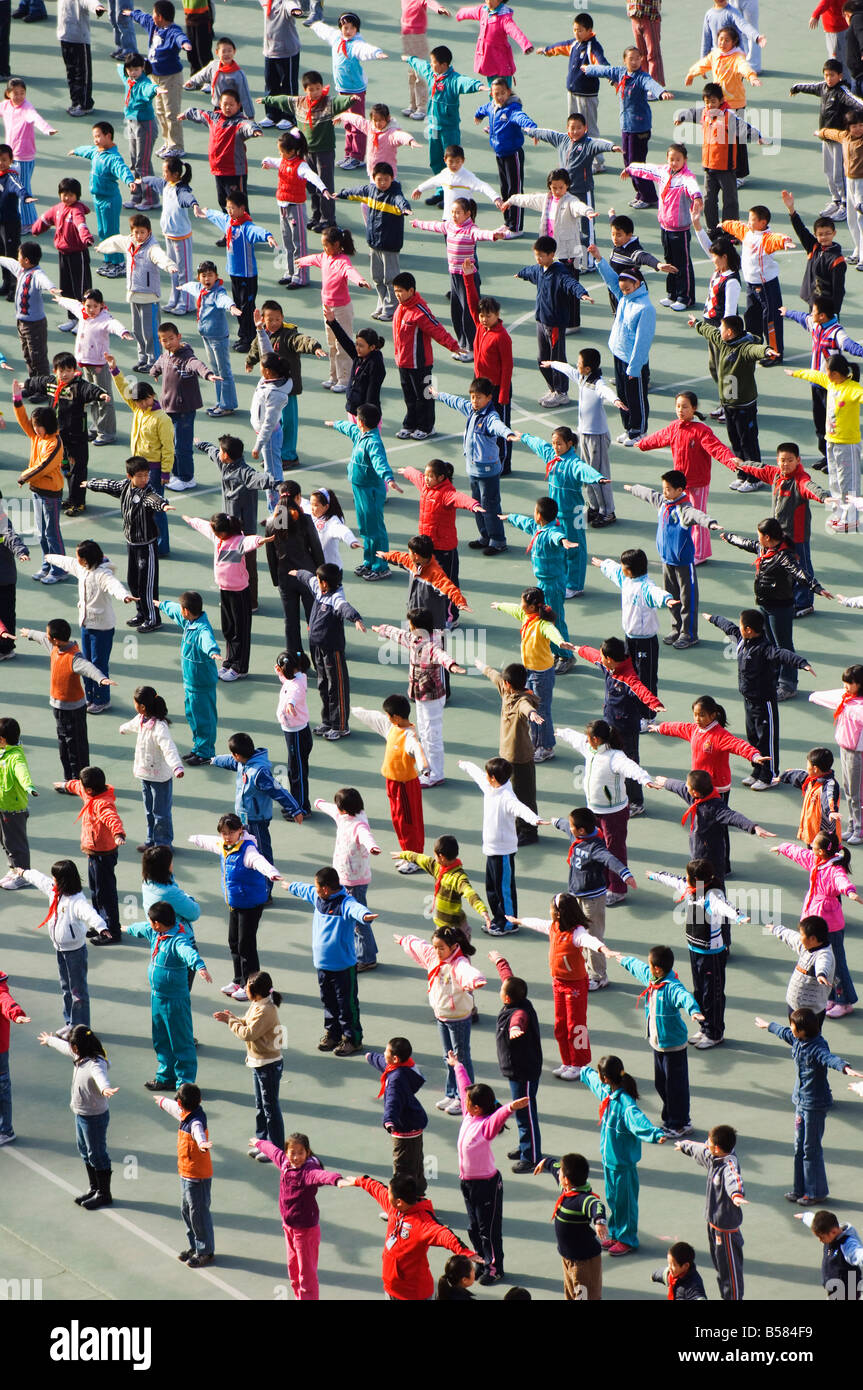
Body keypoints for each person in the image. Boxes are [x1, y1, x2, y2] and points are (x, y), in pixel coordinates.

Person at [756, 1007, 861, 1201]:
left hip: (814, 1105)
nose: (791, 1028)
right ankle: (799, 1189)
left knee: (811, 1148)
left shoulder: (817, 1047)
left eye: (794, 1026)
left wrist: (845, 1068)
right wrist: (768, 1026)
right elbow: (784, 1033)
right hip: (800, 1102)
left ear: (804, 1030)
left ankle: (815, 1192)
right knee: (799, 1147)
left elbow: (829, 1059)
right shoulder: (797, 1039)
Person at [719, 518, 830, 700]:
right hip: (765, 604)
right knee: (769, 644)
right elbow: (747, 543)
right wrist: (730, 537)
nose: (757, 538)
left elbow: (799, 572)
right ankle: (776, 678)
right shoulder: (765, 549)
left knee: (783, 644)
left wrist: (816, 587)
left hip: (779, 608)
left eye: (759, 535)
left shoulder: (783, 556)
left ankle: (788, 684)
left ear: (768, 537)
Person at [605, 943, 704, 1136]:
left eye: (651, 965)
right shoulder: (653, 979)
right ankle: (670, 1118)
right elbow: (639, 968)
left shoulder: (671, 987)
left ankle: (680, 1123)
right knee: (662, 1084)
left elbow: (684, 997)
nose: (648, 968)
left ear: (658, 969)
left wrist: (694, 1011)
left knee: (675, 1087)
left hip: (673, 1047)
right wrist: (623, 960)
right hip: (658, 1046)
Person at [336, 1172, 477, 1301]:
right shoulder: (394, 1206)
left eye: (390, 1193)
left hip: (414, 1295)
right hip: (391, 1289)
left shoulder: (423, 1223)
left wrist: (464, 1251)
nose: (387, 1194)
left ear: (400, 1202)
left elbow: (443, 1234)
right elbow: (378, 1189)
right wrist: (360, 1181)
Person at [282, 866, 378, 1055]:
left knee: (347, 1005)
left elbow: (356, 909)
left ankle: (352, 1039)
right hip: (322, 965)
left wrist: (365, 916)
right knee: (328, 1001)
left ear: (326, 888)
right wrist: (290, 886)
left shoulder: (345, 903)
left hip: (343, 966)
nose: (315, 889)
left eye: (318, 887)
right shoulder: (318, 897)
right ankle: (333, 1034)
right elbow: (305, 889)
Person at [576, 1054, 666, 1254]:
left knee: (626, 1204)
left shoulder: (624, 1103)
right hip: (609, 1161)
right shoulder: (608, 1093)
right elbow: (595, 1084)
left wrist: (654, 1134)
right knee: (613, 1199)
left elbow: (638, 1119)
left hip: (623, 1164)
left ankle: (628, 1239)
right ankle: (616, 1233)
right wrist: (584, 1071)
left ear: (606, 1077)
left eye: (599, 1073)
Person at [509, 893, 605, 1077]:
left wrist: (603, 949)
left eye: (552, 908)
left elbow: (589, 941)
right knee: (560, 1026)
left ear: (560, 913)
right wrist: (519, 921)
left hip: (575, 986)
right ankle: (567, 1062)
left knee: (575, 1026)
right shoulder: (553, 927)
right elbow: (536, 923)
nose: (550, 911)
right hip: (558, 983)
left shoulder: (577, 933)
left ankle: (579, 1065)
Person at [555, 722, 649, 905]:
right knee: (596, 848)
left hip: (614, 813)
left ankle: (617, 889)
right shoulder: (589, 748)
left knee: (614, 848)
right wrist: (561, 732)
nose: (586, 740)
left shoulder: (615, 757)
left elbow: (631, 768)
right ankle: (603, 883)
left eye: (589, 738)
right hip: (593, 811)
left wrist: (645, 779)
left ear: (596, 739)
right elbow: (576, 739)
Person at [395, 922, 486, 1112]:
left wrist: (476, 980)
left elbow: (468, 973)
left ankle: (465, 1098)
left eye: (441, 948)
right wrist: (405, 940)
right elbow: (420, 947)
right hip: (442, 1016)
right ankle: (451, 1093)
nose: (437, 951)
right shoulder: (434, 956)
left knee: (461, 1058)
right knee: (448, 1057)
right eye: (435, 947)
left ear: (453, 947)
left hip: (458, 1017)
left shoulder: (459, 962)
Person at [636, 394, 737, 563]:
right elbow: (660, 437)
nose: (680, 410)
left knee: (697, 516)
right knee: (683, 516)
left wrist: (731, 462)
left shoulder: (701, 430)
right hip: (679, 484)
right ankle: (689, 548)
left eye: (685, 407)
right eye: (678, 406)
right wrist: (643, 443)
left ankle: (700, 554)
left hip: (698, 482)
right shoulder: (674, 427)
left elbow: (717, 448)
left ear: (694, 408)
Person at [450, 1055, 524, 1284]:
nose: (464, 1102)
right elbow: (464, 1089)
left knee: (489, 1231)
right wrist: (457, 1066)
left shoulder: (485, 1126)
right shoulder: (469, 1114)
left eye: (468, 1101)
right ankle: (482, 1261)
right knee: (474, 1228)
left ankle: (495, 1268)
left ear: (478, 1106)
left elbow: (498, 1117)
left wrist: (510, 1107)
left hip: (487, 1185)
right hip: (468, 1183)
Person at [188, 813, 280, 998]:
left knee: (246, 944)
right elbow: (210, 842)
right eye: (223, 833)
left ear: (240, 830)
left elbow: (259, 862)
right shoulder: (224, 845)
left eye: (231, 832)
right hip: (235, 903)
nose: (227, 836)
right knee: (234, 942)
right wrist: (195, 839)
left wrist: (271, 873)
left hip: (251, 904)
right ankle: (238, 980)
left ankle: (251, 986)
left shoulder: (248, 850)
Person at [625, 472, 719, 649]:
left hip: (683, 563)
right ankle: (676, 628)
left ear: (679, 490)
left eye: (668, 489)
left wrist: (711, 523)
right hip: (667, 561)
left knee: (687, 599)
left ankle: (689, 633)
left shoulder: (684, 510)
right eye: (664, 488)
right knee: (672, 597)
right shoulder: (663, 503)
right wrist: (634, 489)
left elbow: (698, 515)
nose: (665, 492)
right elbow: (649, 494)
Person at [255, 71, 356, 232]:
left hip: (324, 151)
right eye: (311, 89)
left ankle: (328, 219)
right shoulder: (299, 102)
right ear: (305, 90)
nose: (315, 92)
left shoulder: (328, 103)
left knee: (324, 184)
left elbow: (340, 101)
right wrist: (267, 100)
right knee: (310, 184)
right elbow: (282, 100)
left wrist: (350, 99)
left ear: (322, 87)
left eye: (318, 88)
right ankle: (316, 215)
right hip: (306, 152)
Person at [770, 835, 859, 1016]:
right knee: (824, 963)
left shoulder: (834, 869)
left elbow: (842, 881)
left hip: (830, 926)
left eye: (814, 847)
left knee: (837, 964)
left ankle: (845, 1002)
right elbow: (799, 853)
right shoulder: (816, 861)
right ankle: (832, 997)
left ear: (821, 851)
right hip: (816, 921)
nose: (810, 849)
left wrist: (850, 892)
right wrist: (783, 847)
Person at [373, 612, 464, 788]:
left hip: (431, 695)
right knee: (424, 731)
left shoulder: (430, 644)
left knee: (432, 735)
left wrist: (452, 665)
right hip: (421, 694)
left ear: (416, 627)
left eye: (411, 624)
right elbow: (399, 634)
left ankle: (436, 774)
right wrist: (382, 630)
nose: (409, 627)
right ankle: (429, 769)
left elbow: (440, 655)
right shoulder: (415, 639)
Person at [575, 637, 663, 817]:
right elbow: (593, 656)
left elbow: (641, 690)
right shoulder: (609, 667)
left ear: (610, 658)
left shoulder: (628, 676)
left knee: (629, 763)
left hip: (626, 729)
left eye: (603, 656)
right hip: (610, 726)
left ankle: (636, 802)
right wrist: (577, 648)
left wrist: (654, 704)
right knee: (612, 762)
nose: (600, 658)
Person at [686, 312, 776, 485]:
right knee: (735, 441)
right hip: (728, 403)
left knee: (748, 442)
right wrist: (696, 323)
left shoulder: (744, 348)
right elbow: (710, 331)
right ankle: (742, 474)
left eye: (722, 328)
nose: (719, 330)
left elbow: (755, 350)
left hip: (744, 404)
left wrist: (767, 351)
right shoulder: (723, 341)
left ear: (730, 332)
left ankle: (755, 478)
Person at [515, 427, 604, 598]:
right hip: (557, 513)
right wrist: (524, 436)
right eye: (554, 443)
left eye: (559, 444)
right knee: (562, 547)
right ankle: (564, 581)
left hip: (576, 512)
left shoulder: (573, 462)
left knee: (576, 549)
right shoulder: (552, 456)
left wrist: (597, 478)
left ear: (569, 444)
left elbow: (585, 470)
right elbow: (539, 444)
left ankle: (575, 586)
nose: (555, 447)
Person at [18, 620, 114, 780]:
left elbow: (88, 667)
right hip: (59, 708)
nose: (46, 636)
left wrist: (101, 678)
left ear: (55, 639)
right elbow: (42, 637)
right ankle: (71, 780)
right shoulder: (55, 647)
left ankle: (78, 781)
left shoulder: (74, 657)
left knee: (75, 747)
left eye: (49, 634)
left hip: (72, 711)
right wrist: (30, 633)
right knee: (65, 746)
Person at [255, 1131, 343, 1301]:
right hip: (288, 1227)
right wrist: (259, 1143)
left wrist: (338, 1180)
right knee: (293, 1270)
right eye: (292, 1153)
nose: (296, 1157)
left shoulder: (308, 1172)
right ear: (287, 1152)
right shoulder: (285, 1163)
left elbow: (321, 1176)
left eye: (300, 1153)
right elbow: (273, 1151)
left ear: (307, 1153)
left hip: (305, 1231)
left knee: (306, 1276)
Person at [37, 1024, 117, 1207]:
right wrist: (50, 1040)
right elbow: (63, 1047)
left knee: (97, 1154)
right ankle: (94, 1188)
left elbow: (101, 1078)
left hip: (94, 1117)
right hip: (81, 1114)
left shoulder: (96, 1064)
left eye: (73, 1045)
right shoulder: (79, 1055)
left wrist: (105, 1089)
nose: (71, 1047)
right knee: (84, 1151)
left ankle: (104, 1194)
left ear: (79, 1046)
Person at [182, 512, 268, 680]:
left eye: (216, 531)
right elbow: (204, 526)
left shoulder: (238, 541)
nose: (213, 533)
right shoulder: (217, 538)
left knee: (240, 631)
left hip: (240, 593)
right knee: (228, 629)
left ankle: (240, 668)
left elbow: (250, 541)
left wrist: (261, 540)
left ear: (223, 531)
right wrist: (191, 520)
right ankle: (229, 662)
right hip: (225, 590)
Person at [433, 379, 516, 554]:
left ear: (489, 398)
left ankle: (498, 540)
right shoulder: (471, 410)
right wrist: (439, 395)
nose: (474, 401)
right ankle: (485, 536)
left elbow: (498, 426)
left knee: (490, 506)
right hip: (473, 471)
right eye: (472, 397)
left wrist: (507, 433)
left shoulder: (490, 417)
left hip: (488, 472)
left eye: (479, 397)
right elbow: (456, 402)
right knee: (476, 505)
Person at [17, 858, 99, 1033]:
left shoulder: (76, 900)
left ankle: (81, 1028)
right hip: (60, 950)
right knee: (66, 988)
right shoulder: (54, 891)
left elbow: (89, 913)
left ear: (64, 880)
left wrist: (101, 927)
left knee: (78, 991)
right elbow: (40, 879)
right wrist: (24, 873)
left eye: (55, 877)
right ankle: (70, 1023)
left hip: (75, 952)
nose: (52, 879)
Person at [587, 46, 673, 208]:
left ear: (641, 59)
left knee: (637, 163)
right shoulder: (620, 73)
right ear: (624, 60)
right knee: (628, 162)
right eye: (631, 59)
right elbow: (604, 70)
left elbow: (651, 84)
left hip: (639, 128)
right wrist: (588, 69)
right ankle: (640, 194)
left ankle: (649, 197)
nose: (634, 62)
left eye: (637, 58)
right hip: (626, 126)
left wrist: (661, 92)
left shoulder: (642, 77)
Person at [25, 357, 110, 519]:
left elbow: (90, 390)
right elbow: (39, 382)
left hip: (75, 436)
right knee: (66, 469)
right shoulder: (52, 383)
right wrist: (27, 385)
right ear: (54, 370)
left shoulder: (79, 386)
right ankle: (71, 498)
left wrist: (101, 395)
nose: (64, 374)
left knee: (77, 469)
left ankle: (78, 502)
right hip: (59, 436)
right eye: (61, 371)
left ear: (74, 370)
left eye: (68, 371)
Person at [653, 767, 773, 882]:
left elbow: (733, 816)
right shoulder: (694, 797)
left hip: (713, 857)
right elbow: (678, 786)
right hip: (697, 853)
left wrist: (753, 827)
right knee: (699, 882)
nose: (685, 786)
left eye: (687, 786)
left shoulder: (715, 807)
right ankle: (700, 901)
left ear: (695, 792)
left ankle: (719, 900)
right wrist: (666, 782)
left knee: (716, 883)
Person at [213, 969, 285, 1159]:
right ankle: (262, 1143)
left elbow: (248, 1033)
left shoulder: (266, 1010)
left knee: (270, 1109)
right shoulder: (258, 1004)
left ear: (257, 992)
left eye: (247, 988)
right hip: (258, 1062)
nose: (245, 990)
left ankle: (276, 1150)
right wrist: (234, 1018)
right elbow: (246, 1022)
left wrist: (230, 1022)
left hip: (268, 1065)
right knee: (261, 1107)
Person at [787, 354, 863, 532]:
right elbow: (813, 375)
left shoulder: (852, 389)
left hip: (847, 444)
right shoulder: (831, 383)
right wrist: (795, 373)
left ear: (836, 373)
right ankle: (839, 514)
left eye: (827, 371)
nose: (825, 374)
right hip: (832, 441)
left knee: (848, 483)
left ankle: (851, 520)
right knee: (835, 480)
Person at [491, 591, 570, 762]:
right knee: (533, 710)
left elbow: (552, 631)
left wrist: (560, 642)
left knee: (541, 711)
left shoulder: (542, 624)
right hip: (529, 671)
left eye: (523, 603)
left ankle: (546, 747)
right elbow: (513, 609)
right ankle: (537, 744)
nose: (520, 605)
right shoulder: (525, 615)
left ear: (533, 606)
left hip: (541, 675)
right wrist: (499, 606)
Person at [674, 85, 763, 236]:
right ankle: (713, 229)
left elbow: (744, 127)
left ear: (721, 101)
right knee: (709, 200)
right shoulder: (704, 113)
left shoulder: (729, 116)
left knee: (730, 202)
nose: (710, 105)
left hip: (726, 169)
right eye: (707, 102)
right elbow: (692, 113)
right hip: (709, 167)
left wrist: (757, 136)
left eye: (713, 102)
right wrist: (682, 116)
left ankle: (730, 231)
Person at [514, 235, 591, 408]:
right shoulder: (539, 270)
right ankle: (552, 388)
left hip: (555, 324)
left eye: (541, 255)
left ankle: (561, 392)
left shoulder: (560, 272)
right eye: (536, 255)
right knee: (542, 358)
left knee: (556, 359)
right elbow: (530, 271)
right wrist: (521, 274)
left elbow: (571, 284)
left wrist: (582, 293)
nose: (538, 259)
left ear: (551, 254)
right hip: (541, 322)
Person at [195, 190, 277, 353]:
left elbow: (257, 231)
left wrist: (268, 236)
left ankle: (250, 338)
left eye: (232, 208)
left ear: (242, 208)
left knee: (247, 307)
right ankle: (243, 336)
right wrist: (206, 212)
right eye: (228, 208)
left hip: (247, 275)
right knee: (238, 306)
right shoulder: (228, 223)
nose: (229, 211)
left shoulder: (246, 227)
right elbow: (218, 216)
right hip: (234, 274)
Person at [290, 561, 365, 740]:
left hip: (332, 649)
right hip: (317, 647)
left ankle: (340, 726)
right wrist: (297, 571)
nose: (316, 580)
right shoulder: (319, 587)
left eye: (319, 579)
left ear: (325, 582)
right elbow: (308, 578)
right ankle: (328, 721)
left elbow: (344, 608)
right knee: (323, 683)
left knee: (336, 686)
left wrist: (355, 619)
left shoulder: (336, 597)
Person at [53, 765, 125, 947]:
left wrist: (118, 834)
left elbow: (112, 818)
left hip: (103, 855)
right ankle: (100, 924)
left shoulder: (103, 803)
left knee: (105, 893)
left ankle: (112, 931)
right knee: (95, 891)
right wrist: (64, 785)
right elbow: (76, 785)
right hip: (94, 853)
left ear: (90, 789)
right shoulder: (89, 793)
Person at [308, 11, 387, 171]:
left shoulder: (356, 44)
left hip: (355, 91)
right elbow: (326, 32)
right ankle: (349, 154)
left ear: (356, 29)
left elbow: (365, 49)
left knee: (357, 123)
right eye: (345, 27)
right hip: (342, 89)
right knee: (347, 122)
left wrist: (377, 53)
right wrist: (315, 24)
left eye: (351, 28)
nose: (348, 31)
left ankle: (358, 157)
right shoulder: (337, 38)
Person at [589, 251, 655, 442]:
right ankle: (628, 428)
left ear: (638, 284)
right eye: (623, 289)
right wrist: (599, 259)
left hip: (633, 361)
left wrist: (634, 367)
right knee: (623, 395)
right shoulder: (626, 297)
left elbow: (643, 341)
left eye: (627, 288)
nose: (623, 291)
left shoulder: (645, 308)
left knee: (636, 397)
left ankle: (639, 431)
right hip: (619, 354)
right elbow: (611, 281)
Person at [296, 224, 372, 390]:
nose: (324, 248)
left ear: (337, 244)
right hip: (328, 309)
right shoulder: (325, 257)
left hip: (341, 310)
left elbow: (350, 271)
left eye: (326, 245)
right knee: (331, 344)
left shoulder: (342, 261)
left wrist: (360, 280)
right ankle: (334, 376)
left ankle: (345, 380)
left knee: (342, 345)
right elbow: (313, 258)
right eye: (323, 245)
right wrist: (302, 261)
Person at [211, 731, 302, 867]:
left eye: (232, 754)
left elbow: (278, 791)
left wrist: (295, 810)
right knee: (244, 846)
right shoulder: (243, 763)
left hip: (257, 820)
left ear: (238, 755)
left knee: (261, 852)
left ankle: (266, 884)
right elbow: (230, 762)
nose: (232, 757)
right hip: (242, 818)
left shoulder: (259, 772)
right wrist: (214, 760)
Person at [592, 548, 676, 695]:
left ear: (630, 570)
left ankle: (648, 715)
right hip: (630, 638)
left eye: (623, 564)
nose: (621, 566)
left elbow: (656, 593)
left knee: (646, 678)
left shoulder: (645, 587)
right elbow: (614, 570)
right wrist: (603, 564)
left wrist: (666, 599)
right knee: (631, 674)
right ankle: (634, 708)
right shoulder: (626, 580)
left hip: (646, 642)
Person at [353, 695, 430, 853]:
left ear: (396, 717)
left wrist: (424, 767)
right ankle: (406, 853)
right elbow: (375, 718)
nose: (386, 718)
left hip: (405, 787)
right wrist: (356, 711)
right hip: (392, 784)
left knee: (407, 822)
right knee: (397, 820)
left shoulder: (409, 735)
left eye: (389, 715)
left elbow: (417, 749)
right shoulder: (392, 727)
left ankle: (414, 857)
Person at [328, 406, 398, 579]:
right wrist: (335, 424)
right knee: (365, 528)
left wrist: (388, 478)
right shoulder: (360, 434)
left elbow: (379, 461)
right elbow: (348, 427)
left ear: (361, 422)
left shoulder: (373, 442)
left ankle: (381, 566)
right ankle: (369, 562)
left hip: (371, 490)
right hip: (359, 488)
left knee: (375, 530)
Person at [789, 63, 862, 224]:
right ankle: (836, 200)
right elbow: (810, 86)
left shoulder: (842, 92)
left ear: (840, 76)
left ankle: (844, 204)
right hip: (825, 139)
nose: (829, 79)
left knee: (839, 174)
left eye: (832, 75)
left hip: (838, 140)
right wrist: (796, 88)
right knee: (828, 172)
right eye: (826, 75)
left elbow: (857, 102)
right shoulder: (823, 87)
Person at [314, 788, 380, 967]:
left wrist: (372, 847)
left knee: (358, 921)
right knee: (355, 919)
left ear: (344, 808)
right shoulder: (342, 815)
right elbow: (331, 809)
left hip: (355, 880)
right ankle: (368, 954)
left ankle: (366, 958)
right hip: (344, 877)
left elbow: (367, 837)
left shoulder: (359, 824)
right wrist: (319, 804)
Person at [402, 46, 483, 190]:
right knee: (435, 161)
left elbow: (464, 82)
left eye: (434, 62)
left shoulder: (453, 80)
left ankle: (451, 190)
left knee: (451, 162)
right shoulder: (431, 74)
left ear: (444, 65)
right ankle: (441, 190)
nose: (431, 64)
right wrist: (409, 59)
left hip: (449, 130)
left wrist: (478, 86)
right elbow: (421, 65)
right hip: (433, 127)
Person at [391, 269, 460, 438]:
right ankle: (410, 424)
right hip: (403, 362)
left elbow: (437, 330)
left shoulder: (420, 312)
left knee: (424, 397)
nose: (397, 295)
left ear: (411, 291)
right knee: (409, 397)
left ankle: (427, 427)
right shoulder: (400, 309)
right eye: (395, 291)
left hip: (420, 364)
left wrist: (454, 346)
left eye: (400, 291)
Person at [153, 1081, 214, 1267]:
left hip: (197, 1177)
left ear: (181, 1102)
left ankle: (205, 1251)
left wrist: (202, 1144)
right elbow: (174, 1109)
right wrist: (162, 1101)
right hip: (186, 1174)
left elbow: (198, 1134)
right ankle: (194, 1246)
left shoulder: (195, 1121)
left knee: (198, 1214)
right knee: (187, 1211)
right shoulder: (186, 1113)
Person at [156, 589, 220, 762]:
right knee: (193, 716)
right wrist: (161, 605)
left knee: (204, 719)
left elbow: (207, 640)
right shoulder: (189, 621)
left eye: (183, 608)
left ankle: (205, 753)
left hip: (201, 684)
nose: (180, 611)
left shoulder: (201, 629)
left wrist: (213, 652)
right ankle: (198, 748)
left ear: (187, 611)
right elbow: (174, 609)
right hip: (191, 684)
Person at [534, 1151, 608, 1300]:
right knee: (570, 1294)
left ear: (566, 1180)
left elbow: (596, 1205)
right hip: (568, 1258)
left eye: (561, 1172)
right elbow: (555, 1168)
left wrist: (599, 1221)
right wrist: (546, 1162)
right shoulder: (567, 1190)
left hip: (583, 1263)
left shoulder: (582, 1199)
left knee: (584, 1297)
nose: (558, 1172)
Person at [152, 320, 217, 490]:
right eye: (164, 340)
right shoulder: (166, 355)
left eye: (171, 338)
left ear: (179, 337)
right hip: (168, 408)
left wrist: (208, 374)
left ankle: (187, 478)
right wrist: (154, 371)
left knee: (183, 446)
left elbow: (196, 365)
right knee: (170, 444)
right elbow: (159, 363)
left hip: (184, 410)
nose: (168, 343)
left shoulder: (186, 357)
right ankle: (177, 474)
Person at [119, 685, 183, 850]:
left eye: (135, 702)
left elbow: (168, 748)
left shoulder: (159, 727)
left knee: (161, 813)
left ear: (143, 706)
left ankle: (163, 844)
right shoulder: (141, 719)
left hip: (160, 777)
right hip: (145, 774)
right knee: (149, 811)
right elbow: (131, 725)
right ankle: (151, 840)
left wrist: (176, 766)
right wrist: (123, 729)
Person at [126, 1, 194, 158]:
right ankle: (168, 142)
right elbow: (143, 18)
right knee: (160, 111)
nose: (152, 16)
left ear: (161, 17)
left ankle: (177, 146)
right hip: (155, 77)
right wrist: (132, 14)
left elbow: (180, 37)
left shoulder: (172, 31)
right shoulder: (154, 25)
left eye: (155, 13)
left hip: (170, 78)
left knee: (171, 112)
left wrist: (185, 44)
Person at [69, 120, 136, 278]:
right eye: (94, 137)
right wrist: (76, 150)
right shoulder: (96, 152)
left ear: (108, 136)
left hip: (110, 201)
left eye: (98, 136)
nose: (96, 140)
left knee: (112, 232)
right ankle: (109, 260)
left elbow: (121, 169)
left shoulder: (113, 158)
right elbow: (87, 150)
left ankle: (119, 263)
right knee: (103, 231)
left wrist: (129, 180)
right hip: (98, 199)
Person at [12, 387, 66, 583]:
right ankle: (47, 563)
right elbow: (23, 421)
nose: (34, 428)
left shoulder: (54, 443)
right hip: (37, 491)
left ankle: (60, 569)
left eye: (38, 426)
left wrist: (23, 477)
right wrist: (17, 400)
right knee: (41, 533)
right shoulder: (37, 437)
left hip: (50, 493)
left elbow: (43, 466)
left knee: (52, 533)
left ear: (47, 425)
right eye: (34, 426)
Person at [135, 156, 200, 315]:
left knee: (184, 271)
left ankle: (186, 304)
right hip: (169, 236)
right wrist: (142, 180)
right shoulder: (166, 185)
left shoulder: (181, 189)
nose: (163, 174)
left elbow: (188, 198)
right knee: (173, 269)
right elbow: (154, 180)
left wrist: (195, 205)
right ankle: (175, 299)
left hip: (181, 237)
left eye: (166, 171)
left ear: (176, 174)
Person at [265, 483, 325, 653]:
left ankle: (296, 660)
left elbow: (271, 555)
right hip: (308, 576)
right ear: (298, 497)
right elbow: (316, 548)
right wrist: (321, 575)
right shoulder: (305, 520)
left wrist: (276, 580)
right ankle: (318, 659)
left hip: (285, 578)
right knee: (313, 620)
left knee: (290, 622)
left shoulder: (271, 523)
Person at [365, 1036, 427, 1195]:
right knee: (416, 1164)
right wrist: (370, 1057)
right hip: (415, 1125)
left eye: (385, 1051)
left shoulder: (396, 1080)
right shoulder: (406, 1067)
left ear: (395, 1058)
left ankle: (403, 1202)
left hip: (404, 1129)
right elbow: (383, 1062)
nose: (383, 1053)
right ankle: (418, 1194)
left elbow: (392, 1101)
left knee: (402, 1168)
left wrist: (388, 1120)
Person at [31, 178, 94, 328]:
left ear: (77, 196)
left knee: (81, 288)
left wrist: (86, 237)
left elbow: (81, 225)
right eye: (64, 194)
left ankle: (84, 319)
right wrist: (36, 229)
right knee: (66, 287)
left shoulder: (77, 210)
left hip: (78, 254)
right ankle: (72, 318)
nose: (67, 198)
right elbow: (45, 219)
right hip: (63, 254)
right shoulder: (58, 208)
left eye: (71, 195)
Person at [810, 665, 863, 843]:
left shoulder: (858, 707)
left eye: (849, 683)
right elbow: (828, 697)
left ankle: (860, 829)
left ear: (860, 684)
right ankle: (852, 825)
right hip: (846, 750)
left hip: (858, 754)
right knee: (848, 790)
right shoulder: (846, 699)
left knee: (857, 793)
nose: (845, 686)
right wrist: (814, 696)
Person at [536, 9, 608, 136]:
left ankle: (597, 155)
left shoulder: (593, 47)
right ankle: (574, 150)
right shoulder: (574, 44)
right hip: (572, 93)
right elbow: (559, 47)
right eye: (575, 30)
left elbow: (602, 64)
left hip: (586, 96)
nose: (576, 33)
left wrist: (612, 77)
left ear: (589, 30)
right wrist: (546, 50)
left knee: (589, 128)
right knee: (573, 125)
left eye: (580, 30)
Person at [767, 915, 835, 1024]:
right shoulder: (806, 946)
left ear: (812, 938)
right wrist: (775, 929)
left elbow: (823, 963)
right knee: (794, 1033)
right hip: (793, 1004)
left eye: (802, 934)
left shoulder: (825, 954)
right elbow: (790, 936)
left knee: (809, 1039)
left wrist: (821, 974)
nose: (800, 937)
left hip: (810, 1012)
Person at [456, 0, 533, 86]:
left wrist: (525, 45)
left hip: (502, 63)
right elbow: (471, 12)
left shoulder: (504, 17)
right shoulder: (483, 10)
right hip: (489, 61)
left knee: (504, 91)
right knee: (493, 90)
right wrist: (460, 14)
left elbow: (514, 31)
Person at [779, 747, 842, 847]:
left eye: (808, 764)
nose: (806, 767)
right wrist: (782, 777)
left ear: (815, 768)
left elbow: (829, 797)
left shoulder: (829, 784)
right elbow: (797, 775)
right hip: (812, 832)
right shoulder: (811, 779)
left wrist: (832, 811)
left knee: (826, 859)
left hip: (824, 837)